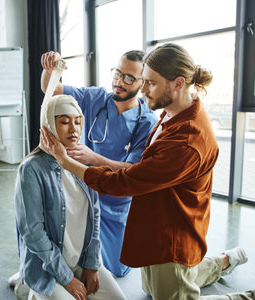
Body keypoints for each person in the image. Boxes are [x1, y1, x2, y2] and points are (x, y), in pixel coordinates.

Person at [40, 43, 255, 300]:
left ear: (178, 84)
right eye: (142, 80)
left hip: (172, 237)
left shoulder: (187, 141)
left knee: (172, 290)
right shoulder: (172, 112)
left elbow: (128, 181)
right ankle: (224, 261)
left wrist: (67, 160)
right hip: (154, 224)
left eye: (150, 83)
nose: (143, 89)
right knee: (155, 289)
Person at [40, 50, 158, 277]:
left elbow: (136, 171)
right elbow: (51, 90)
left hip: (116, 200)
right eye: (118, 73)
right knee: (65, 241)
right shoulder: (96, 98)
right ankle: (43, 267)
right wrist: (49, 70)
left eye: (129, 78)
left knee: (119, 268)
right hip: (84, 189)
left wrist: (94, 159)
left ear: (142, 83)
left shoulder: (147, 121)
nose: (119, 82)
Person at [15, 94, 126, 300]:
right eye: (64, 122)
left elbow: (95, 217)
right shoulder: (31, 169)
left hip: (81, 261)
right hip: (47, 269)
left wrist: (92, 265)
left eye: (78, 122)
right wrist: (66, 279)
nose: (74, 129)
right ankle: (30, 287)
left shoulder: (83, 164)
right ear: (48, 125)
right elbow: (32, 232)